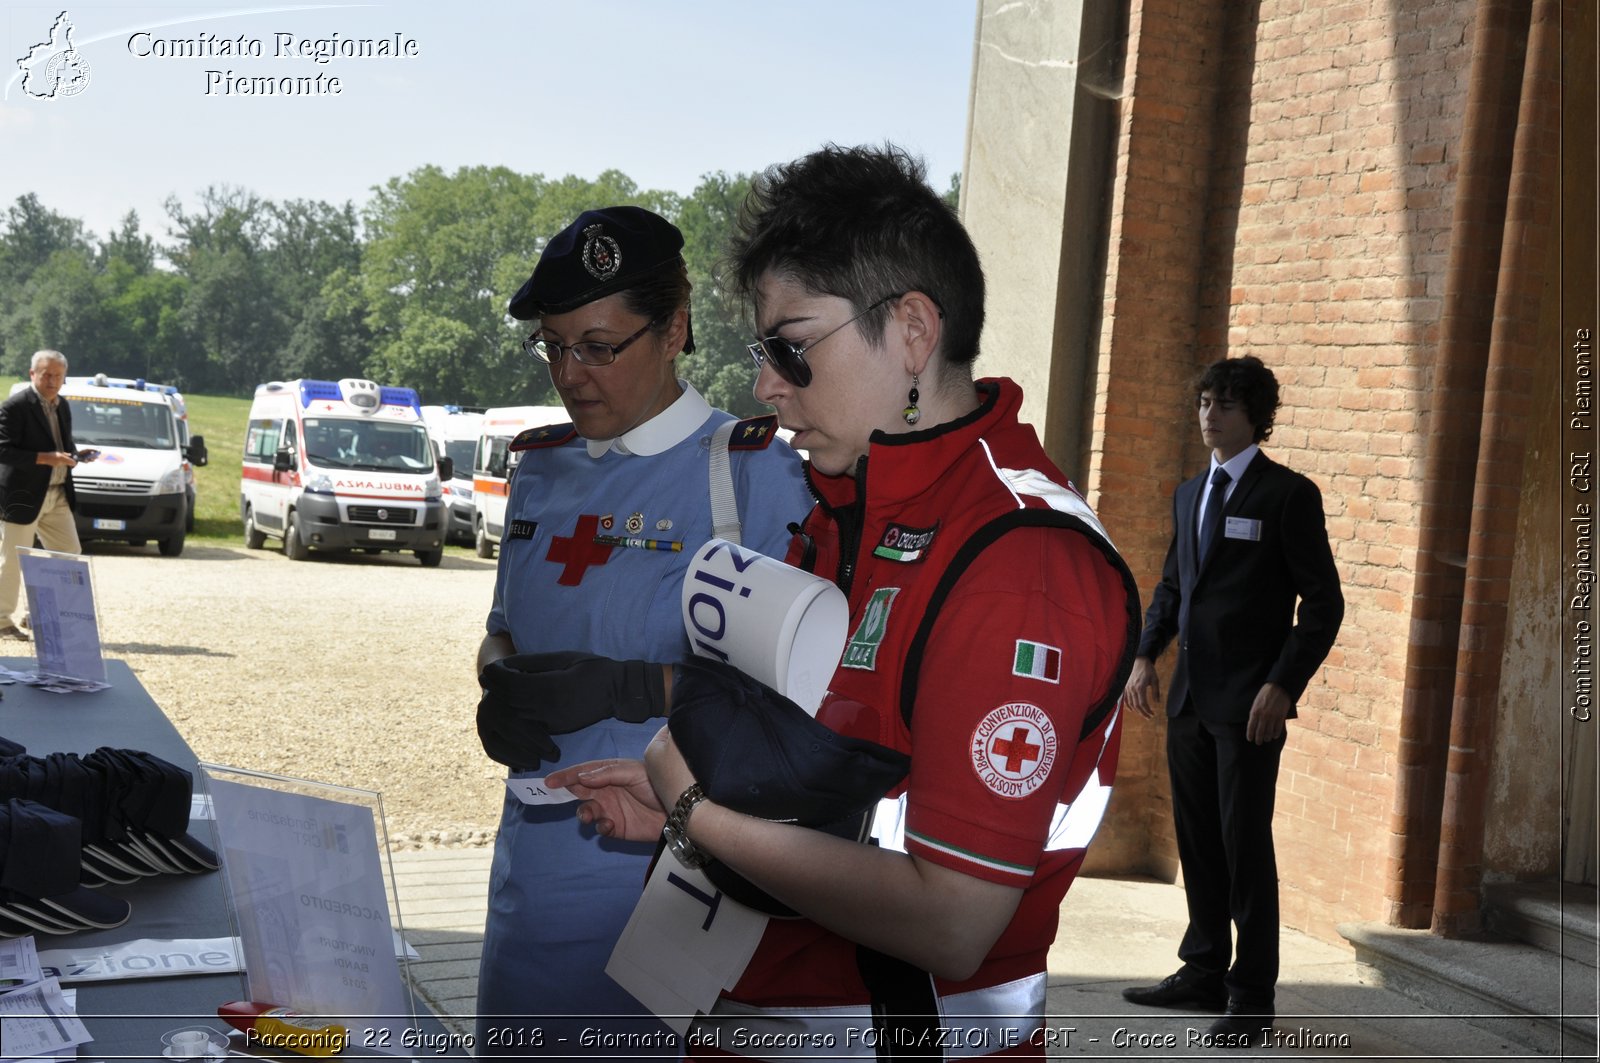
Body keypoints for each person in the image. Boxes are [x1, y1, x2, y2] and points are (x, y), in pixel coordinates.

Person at [546, 145, 1141, 1057]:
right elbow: (838, 771)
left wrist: (696, 812)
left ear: (911, 330)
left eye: (792, 346)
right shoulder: (847, 506)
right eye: (761, 351)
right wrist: (699, 803)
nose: (765, 384)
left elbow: (954, 919)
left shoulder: (1021, 560)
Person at [472, 205, 811, 1056]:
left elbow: (799, 700)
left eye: (598, 345)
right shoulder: (541, 471)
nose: (570, 373)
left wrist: (629, 685)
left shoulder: (752, 475)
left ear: (675, 329)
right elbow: (504, 627)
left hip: (674, 890)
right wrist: (497, 678)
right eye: (552, 345)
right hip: (530, 877)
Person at [1118, 356, 1344, 1045]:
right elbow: (1172, 588)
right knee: (1199, 842)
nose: (1209, 414)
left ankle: (1252, 997)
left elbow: (1324, 602)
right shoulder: (1190, 494)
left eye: (1225, 404)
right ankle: (1204, 969)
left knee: (1246, 848)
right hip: (1188, 697)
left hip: (1251, 706)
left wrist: (1283, 683)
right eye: (1205, 401)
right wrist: (1142, 655)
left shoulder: (1287, 496)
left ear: (1256, 416)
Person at [0, 350, 88, 640]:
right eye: (46, 374)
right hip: (22, 494)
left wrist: (75, 455)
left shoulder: (61, 405)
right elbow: (3, 450)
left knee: (68, 554)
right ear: (32, 374)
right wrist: (45, 458)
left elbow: (62, 444)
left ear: (64, 378)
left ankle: (40, 615)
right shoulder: (14, 406)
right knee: (14, 558)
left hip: (57, 493)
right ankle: (2, 622)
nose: (52, 381)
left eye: (58, 376)